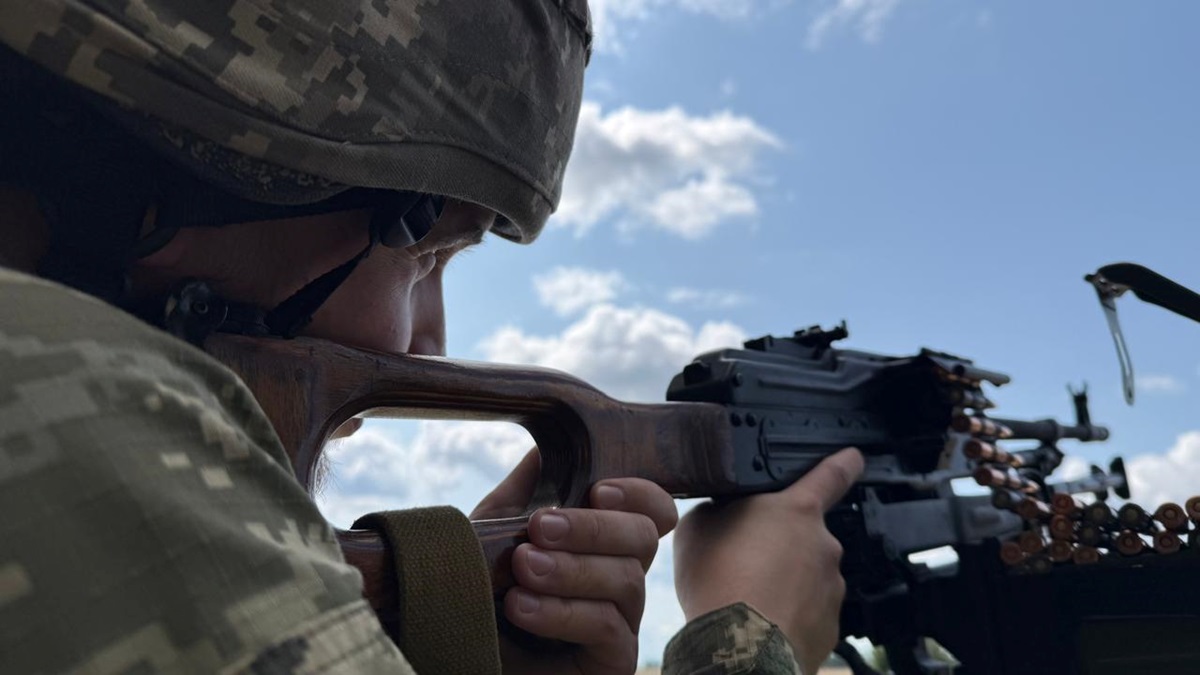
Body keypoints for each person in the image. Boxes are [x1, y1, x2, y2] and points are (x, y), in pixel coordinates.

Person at [0, 1, 863, 674]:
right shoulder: (70, 406)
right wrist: (750, 632)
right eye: (425, 250)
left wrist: (449, 627)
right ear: (209, 178)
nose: (426, 345)